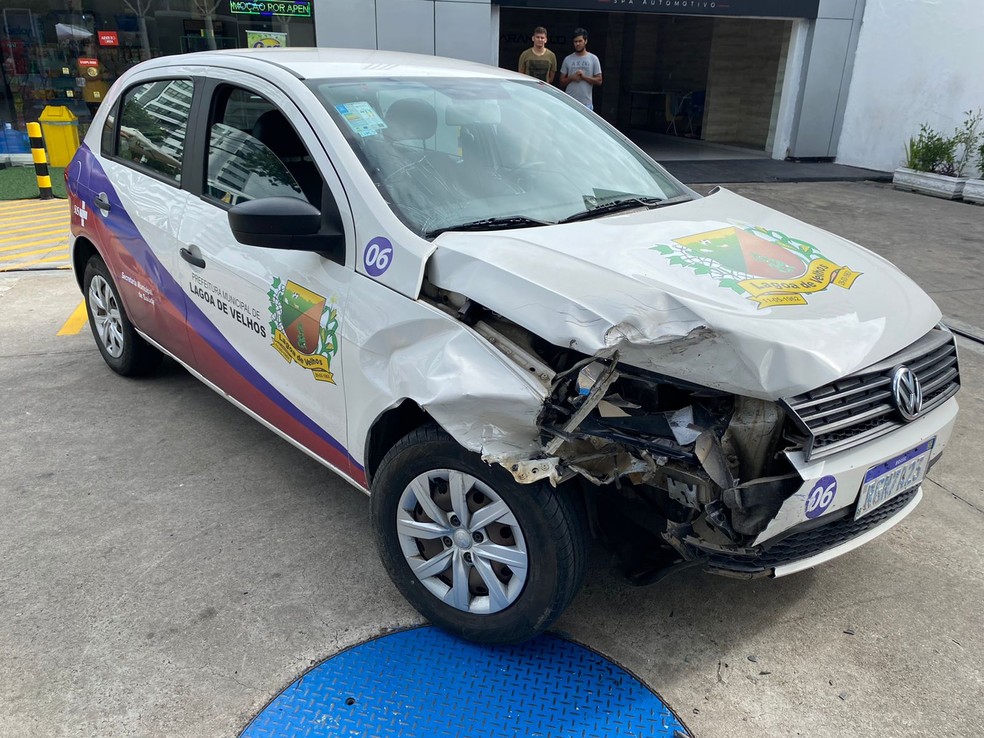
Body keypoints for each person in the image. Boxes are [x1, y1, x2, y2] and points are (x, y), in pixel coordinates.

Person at [559, 28, 602, 110]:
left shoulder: (593, 59)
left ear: (585, 41)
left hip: (586, 104)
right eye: (575, 42)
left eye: (580, 41)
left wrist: (584, 77)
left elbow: (599, 80)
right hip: (570, 102)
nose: (577, 44)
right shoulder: (568, 59)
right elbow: (561, 82)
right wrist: (572, 77)